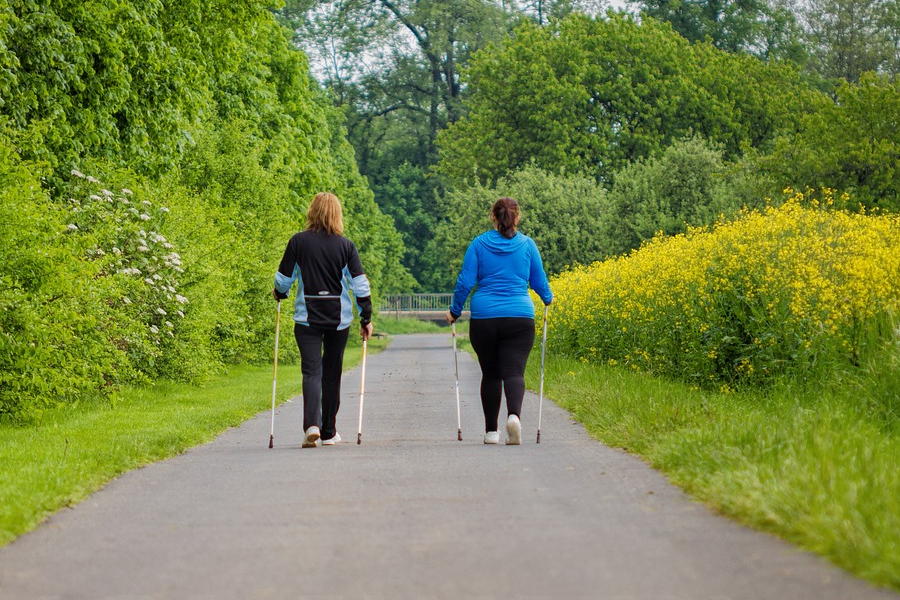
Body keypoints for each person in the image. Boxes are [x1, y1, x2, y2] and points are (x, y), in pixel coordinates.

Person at [447, 197, 553, 445]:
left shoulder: (478, 244)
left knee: (491, 373)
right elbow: (539, 281)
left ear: (493, 217)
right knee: (514, 371)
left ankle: (491, 432)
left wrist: (455, 310)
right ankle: (514, 417)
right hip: (520, 316)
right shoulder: (527, 245)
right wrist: (548, 298)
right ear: (518, 217)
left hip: (485, 318)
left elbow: (465, 281)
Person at [273, 192, 374, 448]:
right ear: (338, 214)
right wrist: (366, 317)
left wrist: (279, 293)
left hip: (307, 318)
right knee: (332, 373)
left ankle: (312, 425)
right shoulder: (346, 246)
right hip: (338, 320)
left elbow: (284, 279)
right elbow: (360, 285)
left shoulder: (298, 242)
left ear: (312, 212)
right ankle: (329, 431)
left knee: (311, 371)